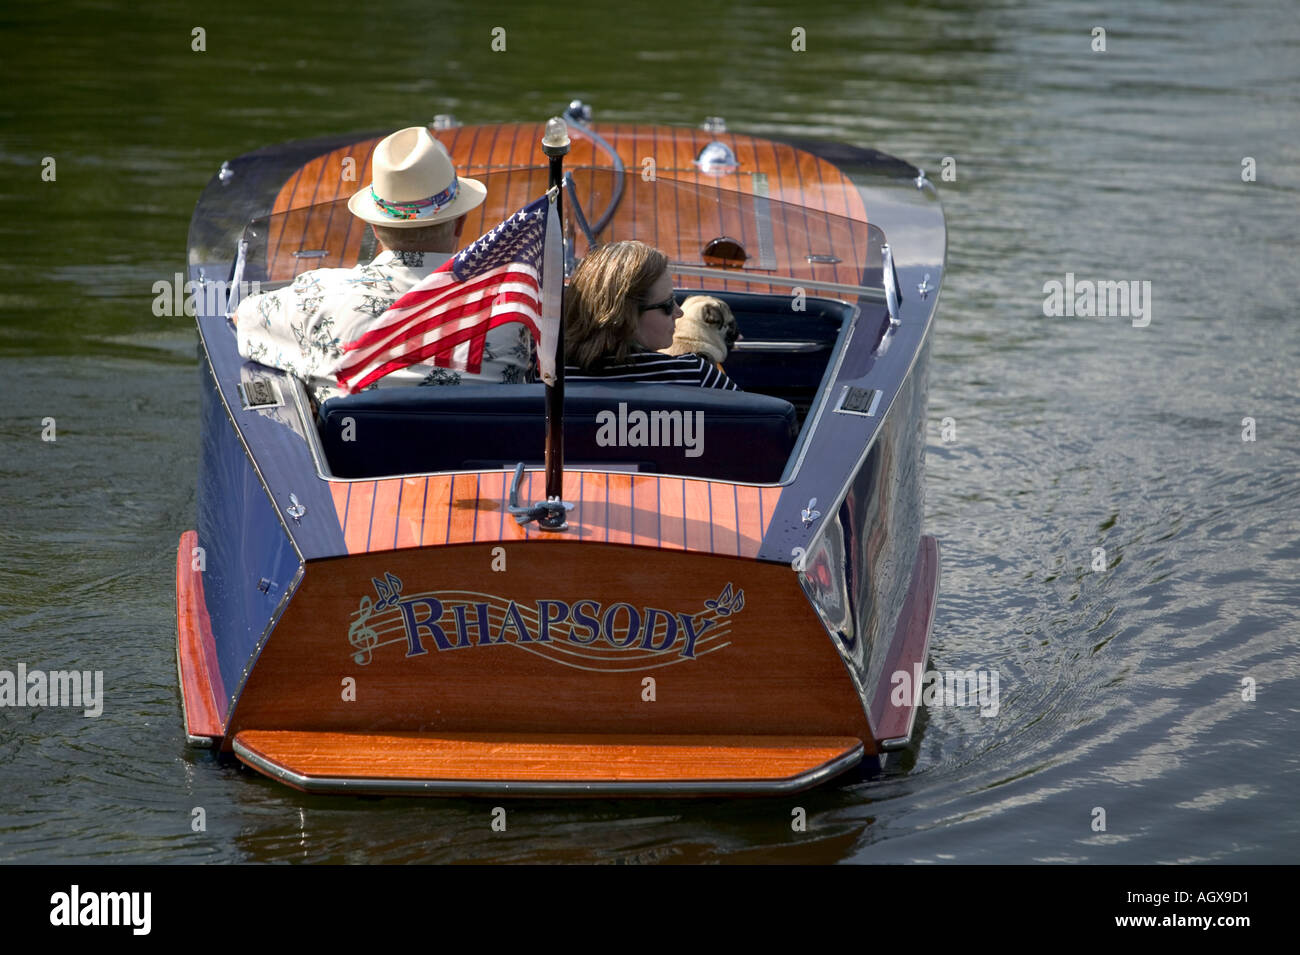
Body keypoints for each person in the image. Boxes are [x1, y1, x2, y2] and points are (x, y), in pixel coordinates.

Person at [232, 126, 533, 404]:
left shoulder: (317, 298)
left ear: (375, 227)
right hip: (484, 461)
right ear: (459, 223)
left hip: (351, 459)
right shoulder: (512, 311)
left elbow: (243, 319)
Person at [563, 241, 739, 390]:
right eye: (668, 304)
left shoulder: (548, 381)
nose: (679, 312)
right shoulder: (697, 376)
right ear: (627, 318)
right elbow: (756, 423)